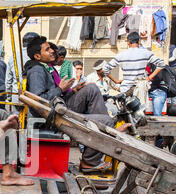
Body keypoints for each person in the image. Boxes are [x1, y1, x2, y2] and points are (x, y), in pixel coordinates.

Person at [24, 35, 120, 173]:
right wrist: (60, 89)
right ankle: (89, 161)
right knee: (106, 121)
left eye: (50, 47)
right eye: (47, 49)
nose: (52, 51)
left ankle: (105, 132)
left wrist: (73, 90)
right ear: (38, 56)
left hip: (60, 106)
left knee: (91, 89)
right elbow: (38, 101)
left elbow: (54, 96)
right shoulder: (37, 71)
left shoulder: (45, 68)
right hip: (53, 115)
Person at [5, 32, 39, 104]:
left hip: (16, 96)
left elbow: (8, 81)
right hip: (33, 98)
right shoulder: (37, 57)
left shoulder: (13, 57)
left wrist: (9, 97)